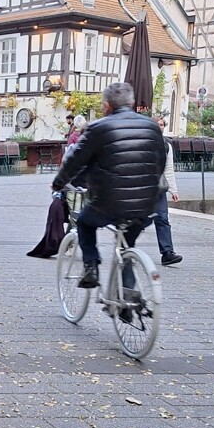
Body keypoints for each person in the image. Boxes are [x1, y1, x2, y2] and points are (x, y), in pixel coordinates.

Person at [50, 82, 167, 289]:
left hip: (109, 202)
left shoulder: (98, 128)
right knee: (127, 245)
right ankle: (128, 294)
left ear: (107, 106)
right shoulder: (152, 127)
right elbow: (160, 162)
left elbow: (75, 161)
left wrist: (59, 183)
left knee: (85, 223)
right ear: (131, 103)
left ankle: (91, 267)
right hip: (146, 204)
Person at [153, 115, 183, 266]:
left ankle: (167, 252)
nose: (160, 127)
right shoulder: (143, 142)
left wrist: (173, 190)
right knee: (133, 221)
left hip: (158, 188)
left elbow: (168, 169)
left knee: (162, 219)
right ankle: (126, 249)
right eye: (157, 124)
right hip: (140, 187)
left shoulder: (166, 145)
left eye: (162, 124)